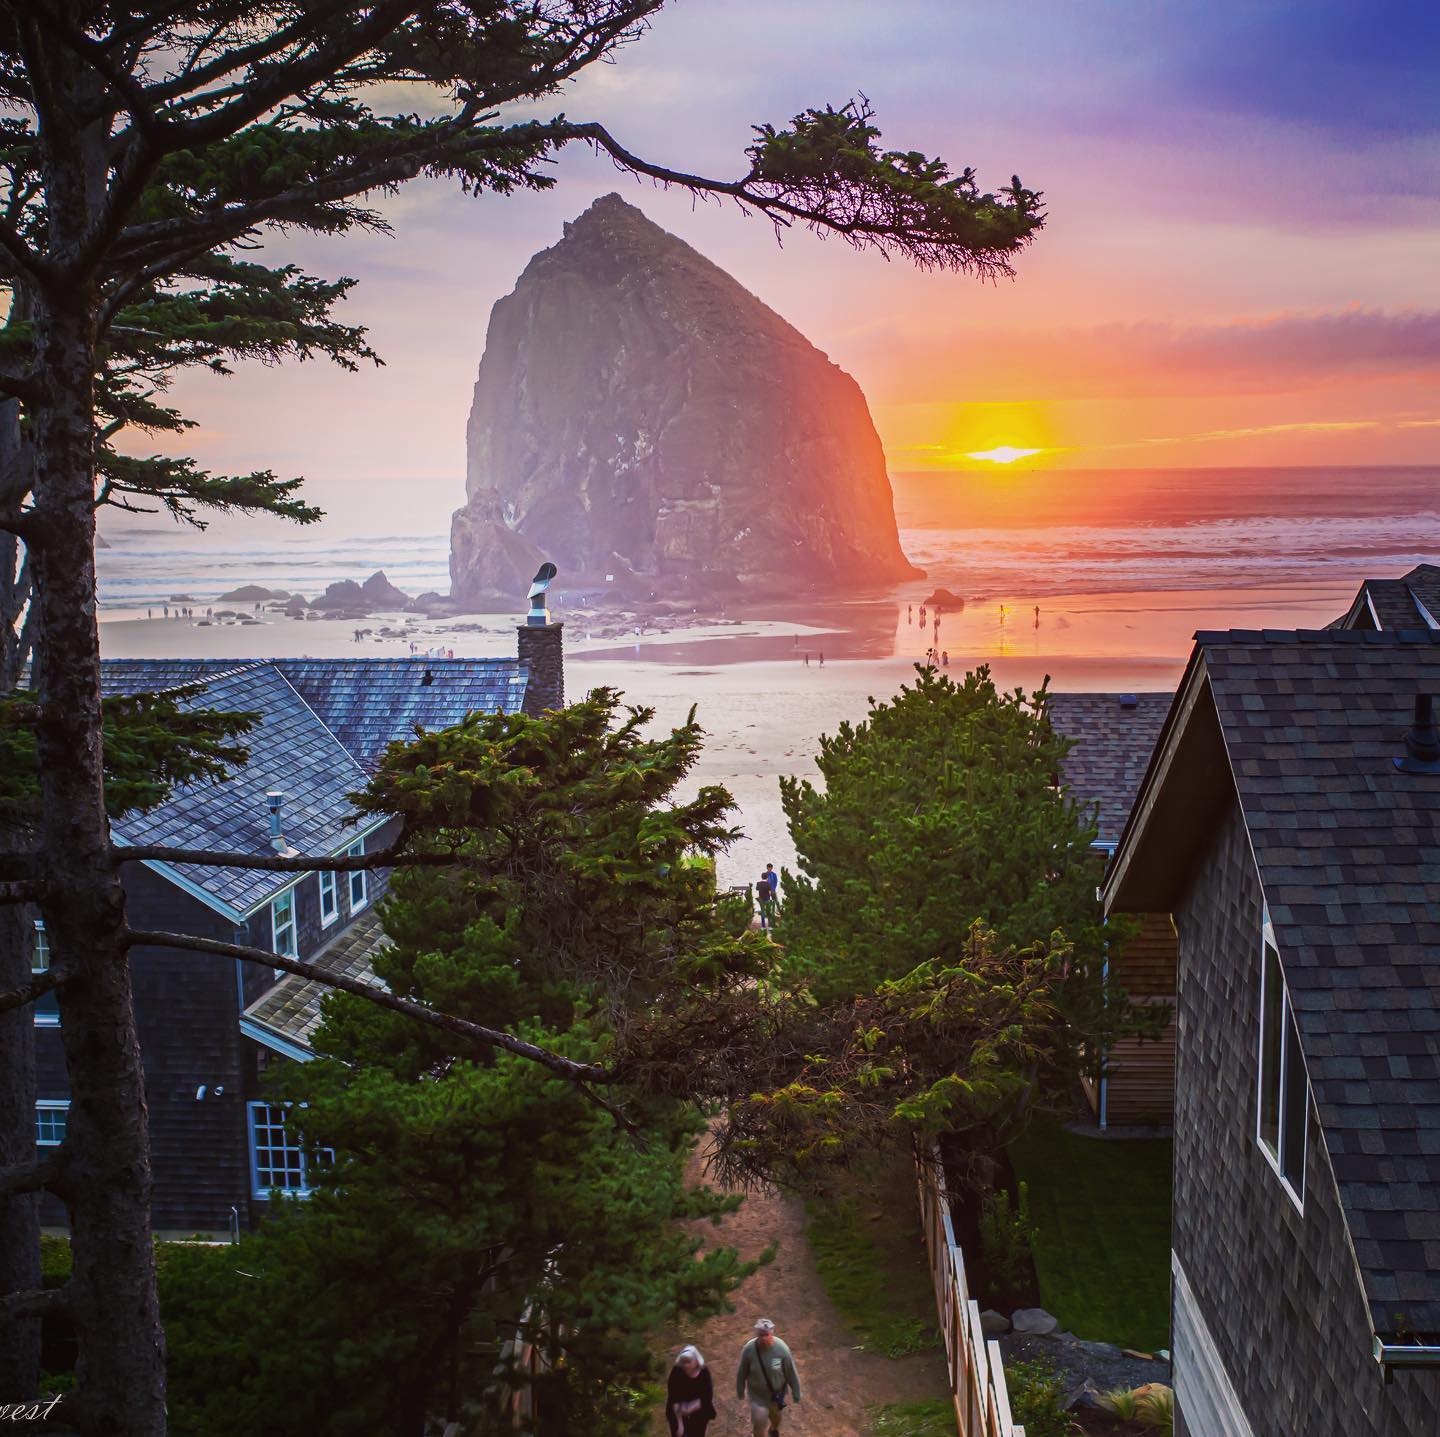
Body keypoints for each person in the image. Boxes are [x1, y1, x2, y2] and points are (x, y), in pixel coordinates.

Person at [736, 1318, 800, 1437]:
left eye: (767, 1335)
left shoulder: (782, 1349)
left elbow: (790, 1372)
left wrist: (796, 1392)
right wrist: (740, 1390)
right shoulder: (749, 1350)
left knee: (776, 1418)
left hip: (776, 1395)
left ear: (772, 1334)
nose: (764, 1338)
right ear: (757, 1335)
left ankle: (773, 1428)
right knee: (759, 1420)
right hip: (757, 1396)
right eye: (761, 1335)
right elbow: (741, 1372)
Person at [666, 1345, 715, 1437]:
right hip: (678, 1411)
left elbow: (707, 1397)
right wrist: (680, 1424)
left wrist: (691, 1407)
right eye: (683, 1362)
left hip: (699, 1410)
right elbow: (673, 1398)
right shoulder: (676, 1372)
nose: (685, 1365)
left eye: (688, 1362)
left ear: (696, 1361)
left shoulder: (704, 1372)